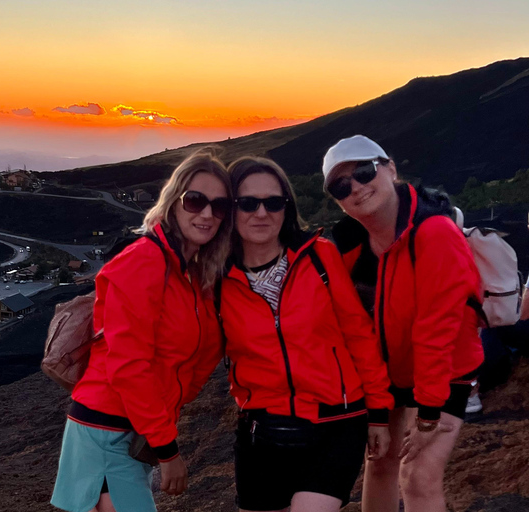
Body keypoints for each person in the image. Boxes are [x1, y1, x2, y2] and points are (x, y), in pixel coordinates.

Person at [51, 148, 233, 512]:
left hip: (136, 431)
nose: (208, 213)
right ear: (173, 202)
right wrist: (167, 449)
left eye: (220, 205)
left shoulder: (193, 276)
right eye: (195, 200)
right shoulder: (143, 262)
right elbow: (128, 366)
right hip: (106, 433)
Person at [220, 156, 394, 512]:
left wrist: (378, 412)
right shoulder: (215, 277)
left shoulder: (319, 256)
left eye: (273, 202)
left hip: (336, 423)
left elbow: (358, 334)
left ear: (287, 207)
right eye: (247, 203)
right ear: (229, 209)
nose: (261, 213)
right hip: (262, 432)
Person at [324, 135, 484, 512]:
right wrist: (376, 405)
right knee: (379, 462)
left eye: (364, 172)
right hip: (389, 372)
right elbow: (353, 328)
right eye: (342, 186)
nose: (357, 188)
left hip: (445, 372)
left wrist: (428, 412)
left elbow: (438, 327)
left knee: (418, 476)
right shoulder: (349, 244)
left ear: (390, 168)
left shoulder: (434, 232)